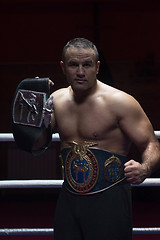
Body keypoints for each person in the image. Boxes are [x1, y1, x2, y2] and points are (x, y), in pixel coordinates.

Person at [12, 38, 160, 240]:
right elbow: (36, 146)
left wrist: (145, 168)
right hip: (69, 199)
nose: (80, 72)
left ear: (97, 67)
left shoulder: (120, 102)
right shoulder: (56, 100)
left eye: (87, 65)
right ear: (63, 67)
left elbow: (151, 143)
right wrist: (33, 113)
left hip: (110, 198)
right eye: (74, 65)